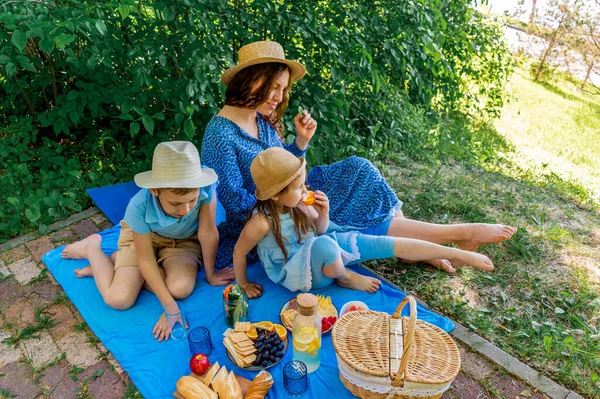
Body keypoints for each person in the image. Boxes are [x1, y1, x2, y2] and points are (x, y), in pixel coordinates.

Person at [201, 40, 516, 272]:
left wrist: (300, 142)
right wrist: (295, 198)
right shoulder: (220, 133)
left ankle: (420, 247)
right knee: (341, 210)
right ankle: (455, 235)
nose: (279, 97)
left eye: (283, 89)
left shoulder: (260, 119)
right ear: (250, 79)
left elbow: (284, 164)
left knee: (359, 169)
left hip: (293, 189)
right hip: (273, 210)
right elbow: (236, 203)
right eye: (273, 86)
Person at [233, 148, 496, 298]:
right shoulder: (262, 222)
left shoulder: (299, 204)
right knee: (326, 245)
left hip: (321, 254)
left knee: (379, 244)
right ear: (276, 195)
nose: (305, 190)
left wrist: (324, 213)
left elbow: (321, 229)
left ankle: (454, 251)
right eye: (299, 187)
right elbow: (239, 251)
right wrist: (243, 283)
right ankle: (346, 277)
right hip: (302, 274)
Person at [61, 141, 235, 341]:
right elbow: (145, 259)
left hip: (184, 240)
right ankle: (92, 248)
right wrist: (169, 306)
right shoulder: (139, 206)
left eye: (192, 201)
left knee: (180, 289)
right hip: (142, 242)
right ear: (155, 190)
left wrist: (211, 274)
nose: (185, 210)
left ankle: (119, 266)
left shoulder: (205, 185)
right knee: (119, 299)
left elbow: (207, 233)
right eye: (175, 203)